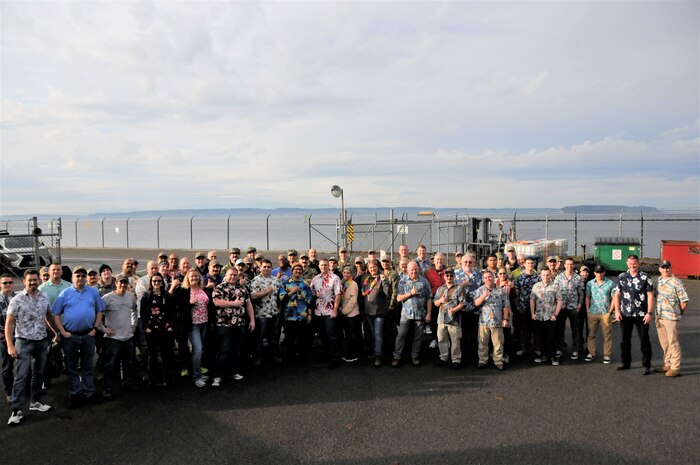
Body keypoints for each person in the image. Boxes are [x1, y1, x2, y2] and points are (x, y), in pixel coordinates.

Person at [5, 270, 55, 425]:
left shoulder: (44, 296)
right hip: (23, 342)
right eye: (30, 280)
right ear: (24, 281)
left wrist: (55, 332)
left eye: (35, 280)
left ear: (39, 280)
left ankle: (36, 402)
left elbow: (48, 316)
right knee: (21, 376)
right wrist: (10, 345)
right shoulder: (17, 299)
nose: (33, 282)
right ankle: (16, 410)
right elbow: (9, 323)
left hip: (41, 341)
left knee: (38, 374)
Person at [52, 265, 105, 407]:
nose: (80, 278)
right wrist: (62, 332)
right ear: (72, 278)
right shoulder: (65, 293)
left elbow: (100, 311)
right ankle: (75, 394)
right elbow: (56, 313)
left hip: (88, 334)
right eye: (77, 275)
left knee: (88, 366)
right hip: (71, 336)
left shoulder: (93, 292)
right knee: (72, 367)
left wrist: (95, 328)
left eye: (83, 275)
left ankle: (89, 393)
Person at [212, 268, 255, 387]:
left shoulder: (242, 288)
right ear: (226, 275)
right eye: (230, 275)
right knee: (223, 350)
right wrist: (233, 304)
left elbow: (248, 304)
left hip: (239, 324)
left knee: (236, 350)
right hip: (224, 325)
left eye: (235, 275)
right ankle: (218, 376)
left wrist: (252, 320)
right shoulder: (219, 287)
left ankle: (233, 372)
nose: (233, 277)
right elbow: (216, 302)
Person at [613, 255, 654, 375]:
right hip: (625, 313)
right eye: (630, 264)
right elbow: (617, 295)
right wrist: (616, 311)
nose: (632, 266)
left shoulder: (645, 277)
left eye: (634, 263)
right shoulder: (622, 277)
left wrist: (649, 313)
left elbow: (650, 296)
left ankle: (646, 365)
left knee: (644, 340)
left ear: (638, 263)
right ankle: (625, 363)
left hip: (641, 314)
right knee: (624, 340)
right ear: (627, 263)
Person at [100, 277, 138, 399]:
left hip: (128, 336)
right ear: (116, 284)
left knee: (129, 362)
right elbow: (97, 314)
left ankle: (127, 383)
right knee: (111, 365)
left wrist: (134, 324)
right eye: (120, 282)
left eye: (125, 283)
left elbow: (134, 310)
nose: (123, 285)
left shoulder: (130, 296)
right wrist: (104, 328)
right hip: (113, 338)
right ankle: (108, 388)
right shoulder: (107, 298)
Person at [176, 269, 214, 387]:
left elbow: (210, 305)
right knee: (197, 350)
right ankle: (197, 377)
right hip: (193, 324)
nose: (194, 278)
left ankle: (198, 373)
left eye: (196, 276)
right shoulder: (184, 291)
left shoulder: (203, 289)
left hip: (204, 323)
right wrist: (189, 303)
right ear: (187, 278)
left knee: (198, 350)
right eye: (191, 276)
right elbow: (179, 307)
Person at [653, 260, 689, 378]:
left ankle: (675, 367)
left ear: (670, 268)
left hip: (671, 318)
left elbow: (684, 301)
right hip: (660, 316)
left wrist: (678, 314)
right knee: (665, 343)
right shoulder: (658, 281)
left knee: (673, 342)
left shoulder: (676, 282)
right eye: (663, 268)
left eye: (667, 267)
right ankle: (667, 364)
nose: (665, 270)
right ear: (659, 269)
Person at [392, 262, 432, 367]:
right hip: (406, 314)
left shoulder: (424, 282)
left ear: (418, 269)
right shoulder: (403, 281)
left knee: (418, 337)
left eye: (415, 269)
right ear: (408, 270)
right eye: (411, 270)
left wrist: (428, 313)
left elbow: (429, 298)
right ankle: (397, 357)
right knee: (401, 335)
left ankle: (415, 356)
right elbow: (398, 298)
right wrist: (410, 294)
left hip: (420, 314)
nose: (414, 271)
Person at [140, 273, 175, 387]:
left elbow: (172, 312)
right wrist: (146, 327)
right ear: (151, 282)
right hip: (152, 331)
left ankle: (168, 379)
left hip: (165, 330)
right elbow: (143, 314)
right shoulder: (146, 297)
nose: (156, 283)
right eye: (154, 281)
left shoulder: (167, 296)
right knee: (153, 356)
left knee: (167, 355)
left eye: (159, 281)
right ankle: (153, 380)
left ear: (162, 282)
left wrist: (170, 326)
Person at [473, 271, 510, 370]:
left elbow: (506, 305)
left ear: (493, 278)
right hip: (484, 321)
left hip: (497, 321)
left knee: (498, 343)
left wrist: (505, 318)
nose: (487, 279)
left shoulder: (500, 290)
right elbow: (475, 303)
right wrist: (483, 296)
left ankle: (498, 361)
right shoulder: (480, 290)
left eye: (489, 277)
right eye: (485, 278)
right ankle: (482, 360)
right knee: (482, 342)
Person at [310, 259, 342, 368]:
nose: (323, 267)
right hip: (318, 312)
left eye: (325, 265)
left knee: (331, 334)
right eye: (321, 265)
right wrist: (315, 296)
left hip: (330, 311)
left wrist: (335, 310)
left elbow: (338, 294)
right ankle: (327, 354)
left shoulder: (335, 278)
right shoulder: (315, 279)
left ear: (329, 266)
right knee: (322, 334)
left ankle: (334, 357)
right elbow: (312, 293)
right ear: (319, 266)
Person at [249, 259, 282, 366]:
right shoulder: (256, 280)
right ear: (260, 268)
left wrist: (279, 308)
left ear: (271, 268)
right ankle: (258, 357)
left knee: (274, 336)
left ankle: (273, 355)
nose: (266, 268)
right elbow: (253, 296)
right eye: (264, 266)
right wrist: (266, 292)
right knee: (259, 337)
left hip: (274, 313)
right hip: (261, 314)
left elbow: (279, 296)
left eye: (268, 267)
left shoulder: (276, 281)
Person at [279, 263, 313, 361]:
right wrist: (292, 291)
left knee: (302, 338)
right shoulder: (285, 283)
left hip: (302, 316)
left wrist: (310, 314)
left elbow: (309, 301)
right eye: (296, 269)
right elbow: (282, 299)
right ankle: (290, 357)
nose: (298, 271)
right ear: (292, 271)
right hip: (289, 316)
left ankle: (301, 357)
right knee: (290, 338)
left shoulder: (305, 285)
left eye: (300, 269)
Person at [360, 261, 392, 367]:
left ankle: (378, 356)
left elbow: (388, 293)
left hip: (379, 313)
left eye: (374, 267)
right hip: (368, 312)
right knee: (373, 334)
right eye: (370, 267)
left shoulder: (382, 279)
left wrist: (385, 281)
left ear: (378, 268)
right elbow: (363, 293)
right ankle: (375, 352)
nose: (372, 269)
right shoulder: (366, 279)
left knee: (378, 334)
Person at [433, 268, 465, 369]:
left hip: (453, 318)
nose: (449, 277)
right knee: (442, 338)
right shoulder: (440, 289)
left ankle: (455, 359)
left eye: (451, 276)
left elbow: (463, 303)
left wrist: (454, 310)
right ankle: (444, 357)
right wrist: (441, 300)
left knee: (455, 340)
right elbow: (435, 302)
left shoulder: (458, 288)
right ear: (444, 277)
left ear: (454, 277)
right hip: (442, 318)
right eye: (447, 275)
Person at [454, 253, 482, 366]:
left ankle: (474, 357)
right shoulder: (455, 274)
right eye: (465, 262)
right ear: (461, 262)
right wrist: (462, 285)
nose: (467, 264)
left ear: (474, 263)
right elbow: (451, 291)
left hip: (475, 309)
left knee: (474, 334)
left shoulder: (479, 275)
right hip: (460, 309)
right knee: (460, 335)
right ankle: (461, 358)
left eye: (470, 262)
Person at [553, 257, 584, 360]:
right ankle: (559, 349)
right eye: (567, 264)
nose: (569, 266)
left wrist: (579, 305)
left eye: (571, 264)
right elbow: (555, 292)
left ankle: (575, 350)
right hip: (561, 307)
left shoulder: (578, 278)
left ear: (573, 265)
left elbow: (581, 293)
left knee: (575, 329)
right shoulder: (559, 277)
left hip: (573, 307)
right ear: (564, 265)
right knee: (560, 329)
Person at [530, 269, 562, 366]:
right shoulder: (536, 286)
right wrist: (532, 313)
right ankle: (542, 355)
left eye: (547, 275)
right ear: (540, 275)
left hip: (550, 316)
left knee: (551, 337)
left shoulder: (555, 286)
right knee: (540, 337)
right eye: (543, 275)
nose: (546, 277)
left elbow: (559, 301)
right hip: (539, 316)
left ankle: (553, 357)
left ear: (550, 275)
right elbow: (532, 300)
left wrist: (555, 314)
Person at [585, 265, 614, 364]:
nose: (599, 274)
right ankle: (591, 353)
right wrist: (588, 309)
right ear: (594, 273)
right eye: (597, 272)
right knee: (591, 334)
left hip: (605, 313)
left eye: (601, 272)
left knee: (607, 335)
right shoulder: (590, 283)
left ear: (604, 272)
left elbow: (614, 297)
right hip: (592, 312)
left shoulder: (610, 283)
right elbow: (588, 296)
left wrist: (610, 310)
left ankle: (607, 355)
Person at [514, 257, 540, 357]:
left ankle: (537, 348)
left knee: (536, 329)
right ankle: (523, 348)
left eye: (531, 263)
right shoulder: (519, 278)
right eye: (528, 263)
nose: (530, 265)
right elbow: (516, 294)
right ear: (524, 264)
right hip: (523, 307)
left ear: (534, 265)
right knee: (524, 330)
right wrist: (518, 307)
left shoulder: (538, 278)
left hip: (536, 308)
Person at [424, 252, 447, 348]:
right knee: (434, 321)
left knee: (445, 322)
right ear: (434, 261)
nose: (439, 261)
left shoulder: (448, 272)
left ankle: (445, 341)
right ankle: (434, 339)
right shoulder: (429, 273)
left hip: (446, 301)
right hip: (434, 300)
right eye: (437, 259)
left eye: (441, 259)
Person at [1, 274, 17, 402]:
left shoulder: (18, 298)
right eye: (5, 283)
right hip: (3, 338)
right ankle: (9, 392)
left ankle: (26, 389)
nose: (8, 285)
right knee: (7, 367)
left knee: (25, 364)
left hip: (20, 335)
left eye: (10, 282)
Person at [339, 266, 361, 363]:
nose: (346, 274)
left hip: (351, 314)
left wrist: (343, 311)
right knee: (347, 335)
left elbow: (353, 301)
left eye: (348, 273)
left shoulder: (353, 284)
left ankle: (353, 355)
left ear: (351, 274)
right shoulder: (343, 283)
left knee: (352, 335)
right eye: (344, 272)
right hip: (345, 314)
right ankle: (349, 353)